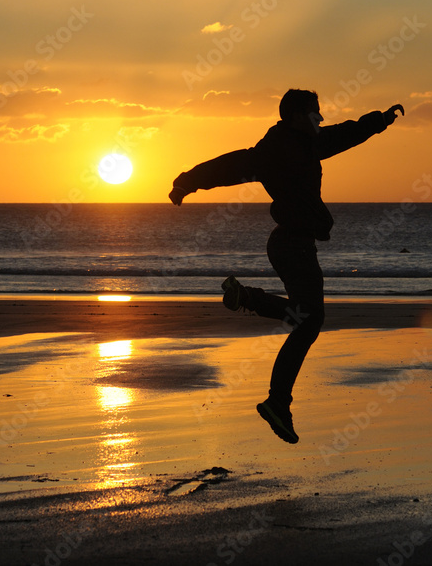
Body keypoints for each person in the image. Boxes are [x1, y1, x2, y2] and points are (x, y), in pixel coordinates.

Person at [169, 89, 403, 443]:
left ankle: (248, 300)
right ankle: (277, 400)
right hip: (291, 245)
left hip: (296, 244)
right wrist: (188, 181)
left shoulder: (310, 142)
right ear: (295, 116)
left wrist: (380, 120)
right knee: (310, 321)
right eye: (314, 113)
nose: (320, 118)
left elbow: (345, 133)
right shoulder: (274, 151)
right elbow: (230, 165)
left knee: (303, 317)